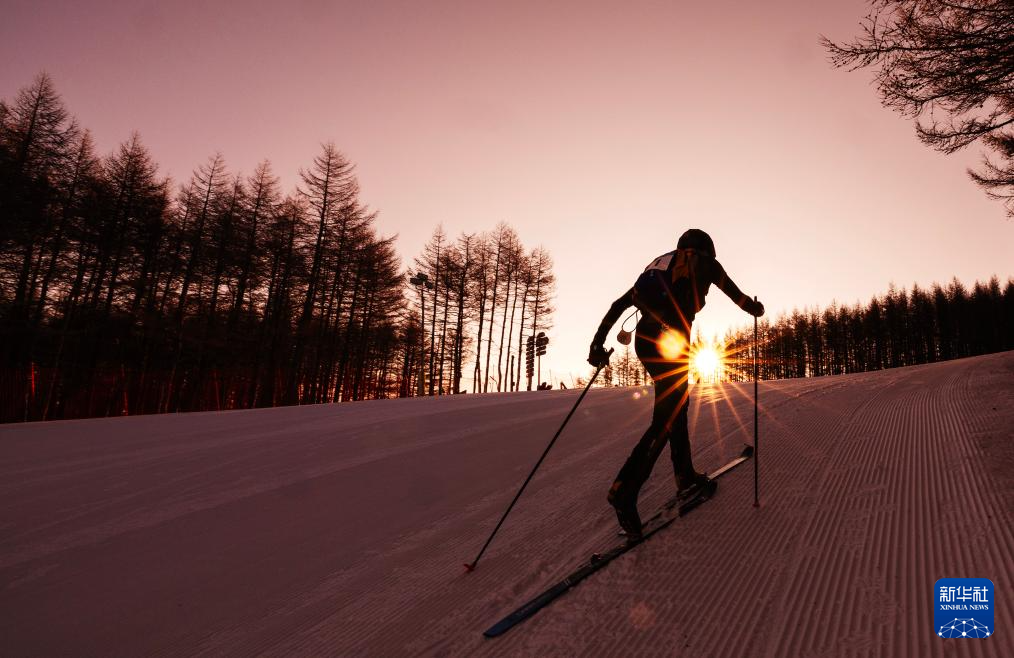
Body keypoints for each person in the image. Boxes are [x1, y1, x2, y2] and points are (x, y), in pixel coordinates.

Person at [588, 229, 764, 539]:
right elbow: (737, 297)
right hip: (672, 342)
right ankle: (624, 490)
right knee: (667, 418)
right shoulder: (707, 264)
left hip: (645, 341)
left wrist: (596, 346)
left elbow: (619, 304)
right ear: (705, 249)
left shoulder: (661, 266)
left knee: (675, 408)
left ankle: (684, 475)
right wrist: (755, 308)